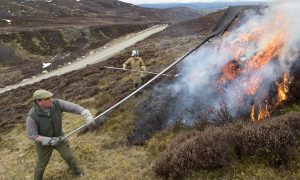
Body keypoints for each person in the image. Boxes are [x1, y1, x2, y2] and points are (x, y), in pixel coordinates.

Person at [26, 89, 95, 180]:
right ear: (39, 101)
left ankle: (77, 173)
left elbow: (73, 107)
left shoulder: (57, 104)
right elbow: (32, 136)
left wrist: (86, 114)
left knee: (69, 157)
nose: (51, 99)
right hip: (44, 144)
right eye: (47, 98)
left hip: (59, 138)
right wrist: (49, 141)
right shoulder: (32, 116)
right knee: (41, 164)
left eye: (50, 97)